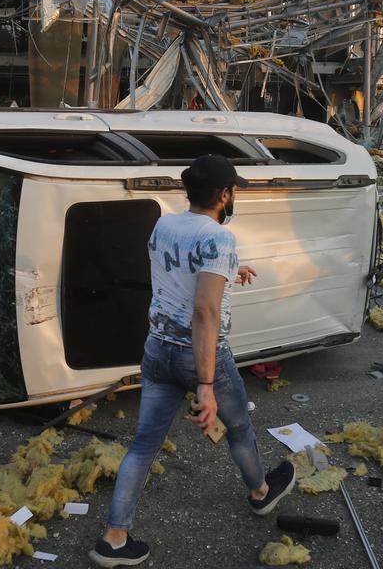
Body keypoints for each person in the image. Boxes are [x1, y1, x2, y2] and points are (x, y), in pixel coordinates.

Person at [90, 154, 296, 568]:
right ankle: (260, 494)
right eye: (233, 189)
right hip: (201, 357)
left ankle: (113, 538)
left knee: (144, 444)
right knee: (237, 428)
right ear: (224, 195)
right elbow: (205, 311)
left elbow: (178, 270)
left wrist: (228, 271)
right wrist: (205, 385)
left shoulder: (165, 222)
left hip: (157, 350)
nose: (234, 194)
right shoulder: (219, 237)